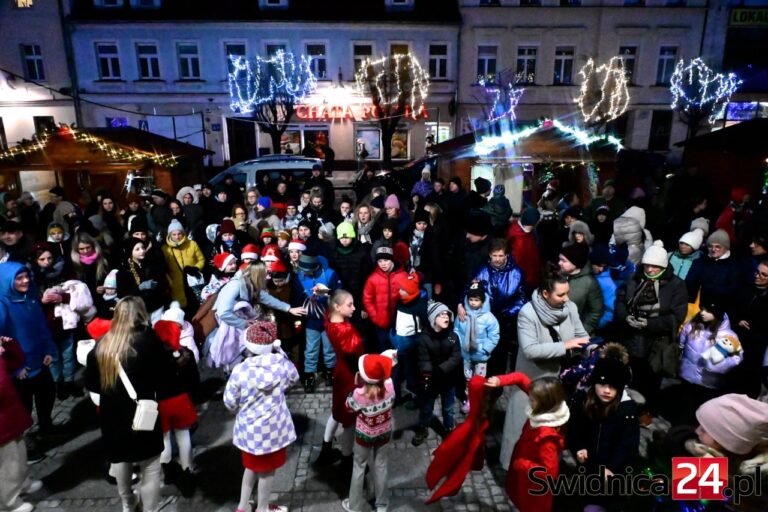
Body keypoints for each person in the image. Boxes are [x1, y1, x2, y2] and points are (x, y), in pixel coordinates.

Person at [500, 269, 590, 470]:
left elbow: (581, 335)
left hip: (557, 384)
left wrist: (591, 346)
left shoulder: (571, 308)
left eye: (567, 292)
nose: (566, 298)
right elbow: (530, 350)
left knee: (550, 432)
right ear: (545, 294)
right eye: (561, 294)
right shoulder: (527, 314)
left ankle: (546, 470)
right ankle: (514, 469)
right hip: (531, 382)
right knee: (522, 429)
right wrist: (565, 346)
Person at [84, 297, 166, 512]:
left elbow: (92, 384)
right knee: (150, 467)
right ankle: (150, 509)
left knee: (120, 461)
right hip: (142, 412)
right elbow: (163, 377)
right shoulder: (148, 340)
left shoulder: (101, 345)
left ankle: (128, 503)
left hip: (112, 416)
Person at [224, 321, 298, 512]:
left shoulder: (240, 370)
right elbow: (294, 377)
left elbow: (230, 402)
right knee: (267, 472)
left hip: (250, 432)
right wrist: (280, 353)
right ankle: (263, 508)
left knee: (251, 467)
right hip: (273, 430)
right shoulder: (281, 365)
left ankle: (243, 506)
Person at [615, 241, 688, 413]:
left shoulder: (676, 285)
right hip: (630, 339)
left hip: (655, 344)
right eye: (647, 265)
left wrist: (650, 324)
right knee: (628, 377)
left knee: (650, 382)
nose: (650, 270)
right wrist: (626, 317)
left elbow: (676, 317)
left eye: (655, 266)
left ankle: (645, 412)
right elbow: (620, 301)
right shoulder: (633, 279)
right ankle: (625, 409)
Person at [486, 373, 569, 512]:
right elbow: (520, 377)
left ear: (544, 403)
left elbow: (549, 473)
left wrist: (523, 464)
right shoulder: (545, 403)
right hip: (525, 462)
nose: (529, 399)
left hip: (533, 483)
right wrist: (500, 380)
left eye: (532, 399)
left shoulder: (546, 435)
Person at [567, 357, 639, 511]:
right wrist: (579, 447)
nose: (607, 391)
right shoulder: (582, 401)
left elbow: (627, 445)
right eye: (602, 384)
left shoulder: (627, 411)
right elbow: (574, 429)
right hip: (588, 466)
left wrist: (612, 467)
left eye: (613, 387)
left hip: (614, 472)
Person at [0, 262, 58, 439]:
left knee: (47, 395)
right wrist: (14, 367)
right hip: (20, 371)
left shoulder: (30, 296)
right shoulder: (2, 304)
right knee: (23, 408)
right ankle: (24, 444)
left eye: (26, 276)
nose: (25, 281)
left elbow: (42, 327)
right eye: (19, 278)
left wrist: (50, 349)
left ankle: (46, 429)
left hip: (40, 360)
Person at [666, 303, 743, 424]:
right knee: (685, 409)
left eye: (708, 311)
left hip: (708, 383)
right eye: (702, 309)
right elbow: (681, 343)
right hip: (687, 376)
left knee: (701, 413)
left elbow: (736, 359)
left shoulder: (729, 336)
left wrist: (715, 365)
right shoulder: (693, 325)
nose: (702, 312)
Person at [460, 238, 526, 377]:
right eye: (494, 255)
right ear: (490, 255)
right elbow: (469, 290)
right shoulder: (482, 271)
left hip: (505, 320)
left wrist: (507, 313)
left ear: (507, 255)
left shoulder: (517, 273)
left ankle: (496, 385)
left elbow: (521, 298)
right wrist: (462, 304)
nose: (497, 259)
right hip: (483, 319)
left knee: (499, 354)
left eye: (501, 255)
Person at [341, 351, 397, 512]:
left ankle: (354, 505)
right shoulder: (389, 385)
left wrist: (355, 385)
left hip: (364, 436)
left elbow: (348, 406)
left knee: (359, 467)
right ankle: (382, 504)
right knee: (381, 466)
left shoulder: (359, 394)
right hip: (384, 433)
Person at [152, 305, 199, 497]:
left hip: (160, 403)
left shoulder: (152, 356)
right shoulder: (185, 353)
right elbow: (194, 381)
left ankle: (168, 470)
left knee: (164, 439)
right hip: (180, 400)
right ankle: (188, 467)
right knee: (184, 435)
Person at [316, 290, 365, 470]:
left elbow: (331, 305)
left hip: (340, 371)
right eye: (349, 305)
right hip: (350, 376)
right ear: (337, 307)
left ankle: (326, 448)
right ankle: (346, 459)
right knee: (349, 420)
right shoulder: (346, 330)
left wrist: (329, 293)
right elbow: (354, 358)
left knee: (337, 412)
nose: (354, 307)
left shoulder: (329, 320)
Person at [1, 336, 43, 512]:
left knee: (19, 452)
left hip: (10, 414)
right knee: (7, 461)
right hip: (2, 423)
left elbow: (17, 360)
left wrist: (9, 344)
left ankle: (22, 482)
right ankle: (9, 501)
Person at [412, 301, 461, 446]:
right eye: (441, 314)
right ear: (433, 318)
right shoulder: (425, 339)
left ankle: (449, 429)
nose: (445, 317)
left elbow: (456, 356)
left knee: (449, 408)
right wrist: (428, 376)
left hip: (447, 379)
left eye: (447, 314)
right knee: (426, 407)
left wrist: (442, 369)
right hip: (431, 380)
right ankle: (423, 428)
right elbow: (423, 359)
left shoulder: (451, 336)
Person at [292, 253, 341, 392]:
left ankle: (330, 373)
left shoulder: (330, 274)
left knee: (329, 348)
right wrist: (297, 319)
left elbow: (339, 293)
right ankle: (309, 375)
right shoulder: (300, 276)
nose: (304, 273)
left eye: (306, 271)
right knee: (311, 350)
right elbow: (296, 297)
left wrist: (326, 293)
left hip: (328, 318)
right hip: (311, 320)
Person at [454, 281, 499, 414]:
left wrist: (485, 349)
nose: (473, 303)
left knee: (478, 380)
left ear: (482, 301)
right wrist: (458, 344)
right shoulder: (463, 314)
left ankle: (478, 401)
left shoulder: (489, 318)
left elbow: (494, 336)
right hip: (466, 354)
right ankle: (469, 399)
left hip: (480, 356)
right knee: (468, 379)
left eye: (476, 300)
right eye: (471, 299)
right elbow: (456, 330)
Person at [363, 247, 408, 352]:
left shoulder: (403, 276)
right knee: (384, 350)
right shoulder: (372, 279)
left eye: (386, 260)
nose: (383, 264)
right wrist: (375, 316)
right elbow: (367, 299)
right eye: (380, 261)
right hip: (381, 324)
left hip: (400, 323)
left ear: (392, 260)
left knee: (400, 350)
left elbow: (410, 297)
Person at [558, 242, 603, 336]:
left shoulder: (589, 282)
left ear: (575, 263)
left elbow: (596, 311)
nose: (559, 263)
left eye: (564, 260)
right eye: (560, 259)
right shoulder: (557, 276)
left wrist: (581, 332)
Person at [116, 238, 168, 316]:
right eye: (137, 249)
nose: (142, 251)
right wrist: (139, 288)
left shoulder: (152, 264)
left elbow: (163, 283)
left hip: (156, 307)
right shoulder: (123, 272)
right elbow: (122, 294)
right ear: (130, 252)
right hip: (138, 311)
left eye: (143, 248)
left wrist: (156, 286)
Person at [162, 219, 205, 310]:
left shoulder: (192, 244)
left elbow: (201, 259)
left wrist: (196, 268)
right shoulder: (165, 249)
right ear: (170, 235)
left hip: (193, 284)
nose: (177, 237)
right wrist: (170, 283)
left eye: (179, 234)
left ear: (183, 233)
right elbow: (164, 269)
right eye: (174, 234)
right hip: (176, 288)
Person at [507, 207, 542, 292]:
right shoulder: (520, 241)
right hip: (525, 282)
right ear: (535, 223)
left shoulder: (517, 229)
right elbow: (518, 264)